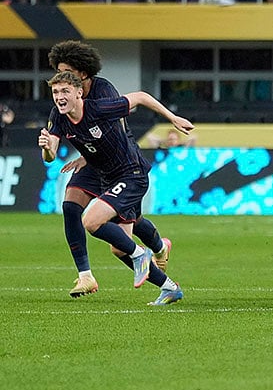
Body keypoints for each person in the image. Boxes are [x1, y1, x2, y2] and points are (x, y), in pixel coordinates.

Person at [39, 71, 192, 306]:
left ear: (79, 93)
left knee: (90, 221)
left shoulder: (99, 108)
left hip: (132, 173)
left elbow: (140, 96)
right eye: (55, 92)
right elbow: (49, 156)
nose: (59, 96)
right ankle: (169, 287)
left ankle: (142, 254)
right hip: (109, 179)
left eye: (65, 91)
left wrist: (172, 118)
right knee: (119, 248)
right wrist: (48, 148)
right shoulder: (58, 117)